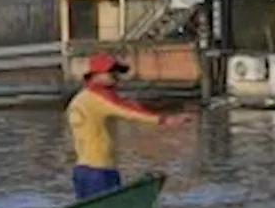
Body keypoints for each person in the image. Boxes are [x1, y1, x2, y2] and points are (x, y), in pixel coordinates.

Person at [66, 52, 193, 200]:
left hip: (82, 171)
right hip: (100, 172)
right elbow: (129, 111)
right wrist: (165, 120)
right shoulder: (99, 97)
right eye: (111, 72)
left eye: (117, 72)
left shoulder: (79, 99)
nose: (116, 76)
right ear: (96, 74)